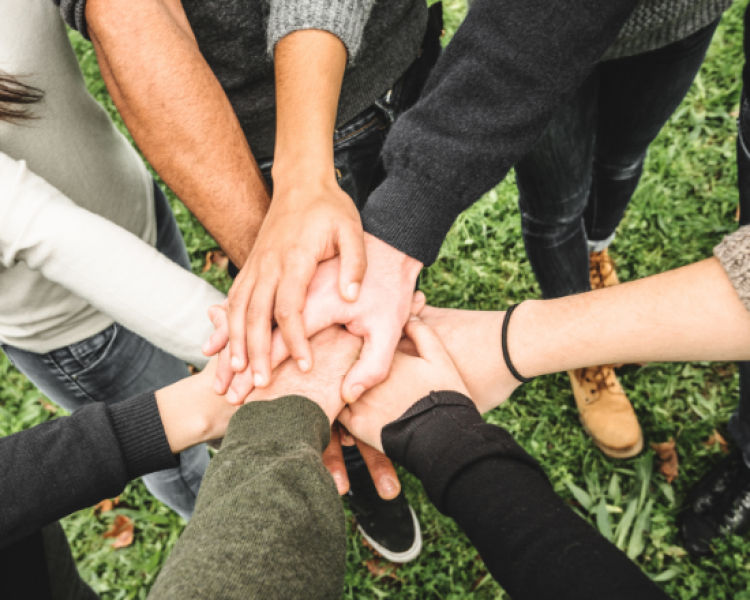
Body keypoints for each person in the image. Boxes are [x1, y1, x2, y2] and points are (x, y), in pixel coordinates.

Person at [54, 0, 443, 560]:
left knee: (384, 289)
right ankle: (356, 459)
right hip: (252, 120)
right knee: (308, 347)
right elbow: (123, 10)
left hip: (407, 55)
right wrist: (289, 280)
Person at [0, 0, 220, 520]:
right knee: (177, 453)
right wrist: (274, 345)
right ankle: (226, 527)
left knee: (193, 386)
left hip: (137, 206)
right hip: (77, 327)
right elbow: (40, 229)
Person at [513, 5, 730, 459]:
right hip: (535, 26)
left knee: (622, 158)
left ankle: (594, 260)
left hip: (676, 15)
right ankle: (579, 345)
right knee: (557, 205)